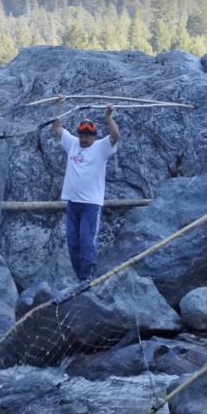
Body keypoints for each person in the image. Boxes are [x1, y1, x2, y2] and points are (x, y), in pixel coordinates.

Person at [52, 95, 120, 281]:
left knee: (86, 241)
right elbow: (57, 128)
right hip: (72, 203)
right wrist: (58, 108)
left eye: (87, 136)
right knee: (72, 242)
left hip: (91, 204)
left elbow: (115, 136)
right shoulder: (73, 143)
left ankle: (87, 278)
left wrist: (108, 118)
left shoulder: (101, 147)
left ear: (94, 136)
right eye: (81, 135)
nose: (83, 138)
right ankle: (79, 277)